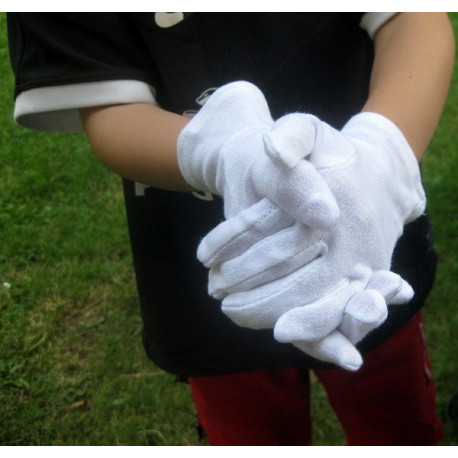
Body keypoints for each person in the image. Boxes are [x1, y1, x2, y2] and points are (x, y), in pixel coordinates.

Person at [6, 12, 454, 445]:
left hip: (370, 250)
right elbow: (106, 101)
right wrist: (220, 153)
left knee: (398, 425)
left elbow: (413, 17)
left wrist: (382, 155)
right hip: (212, 277)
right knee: (249, 432)